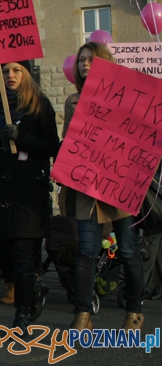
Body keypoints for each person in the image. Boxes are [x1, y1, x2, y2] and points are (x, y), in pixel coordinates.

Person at [62, 42, 146, 331]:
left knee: (129, 252)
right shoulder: (72, 102)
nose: (85, 64)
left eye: (91, 59)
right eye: (82, 60)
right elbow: (69, 141)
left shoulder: (125, 98)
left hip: (120, 186)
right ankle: (83, 314)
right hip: (88, 189)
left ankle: (134, 310)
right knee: (86, 253)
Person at [0, 60, 58, 331]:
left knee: (22, 255)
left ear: (27, 74)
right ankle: (33, 286)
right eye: (6, 71)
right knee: (3, 254)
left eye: (16, 70)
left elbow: (52, 146)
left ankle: (21, 312)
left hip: (28, 193)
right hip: (0, 193)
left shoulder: (40, 106)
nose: (10, 75)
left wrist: (22, 137)